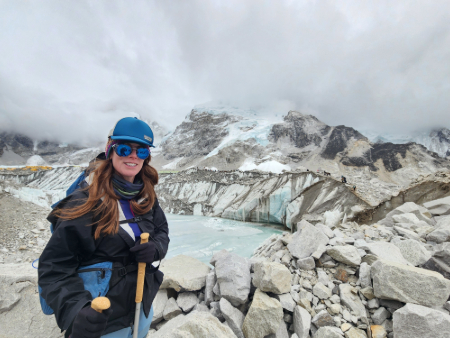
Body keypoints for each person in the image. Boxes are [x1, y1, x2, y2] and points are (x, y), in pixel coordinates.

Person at [38, 117, 169, 338]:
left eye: (142, 151)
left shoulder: (146, 197)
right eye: (125, 148)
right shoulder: (85, 202)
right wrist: (76, 309)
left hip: (140, 310)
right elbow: (54, 269)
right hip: (100, 322)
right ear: (110, 150)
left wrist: (155, 248)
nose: (133, 156)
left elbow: (162, 231)